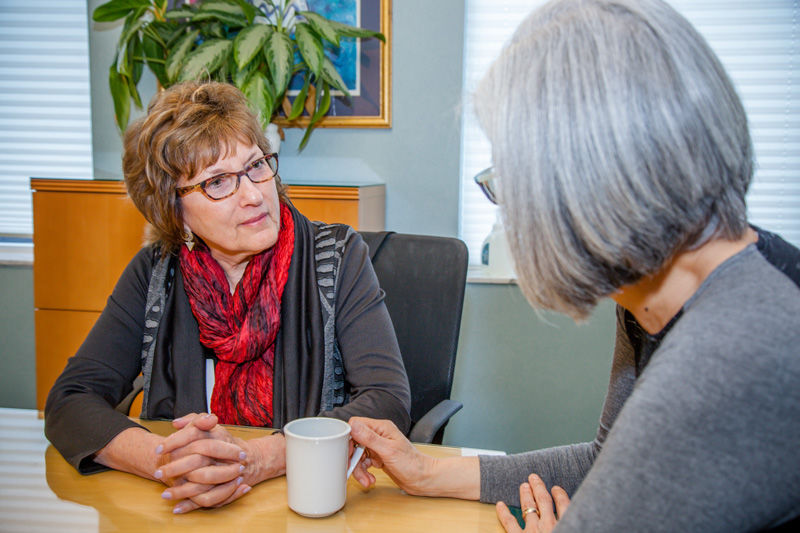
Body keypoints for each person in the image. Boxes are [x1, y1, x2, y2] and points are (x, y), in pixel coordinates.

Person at [348, 0, 800, 531]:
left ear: (581, 188)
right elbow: (609, 464)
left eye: (509, 179)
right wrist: (426, 472)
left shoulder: (723, 366)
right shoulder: (670, 291)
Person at [45, 81, 411, 514]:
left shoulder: (337, 257)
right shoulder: (156, 274)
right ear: (173, 210)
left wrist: (255, 459)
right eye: (218, 182)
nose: (254, 194)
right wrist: (168, 461)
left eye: (256, 165)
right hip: (186, 511)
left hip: (308, 506)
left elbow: (388, 399)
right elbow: (70, 398)